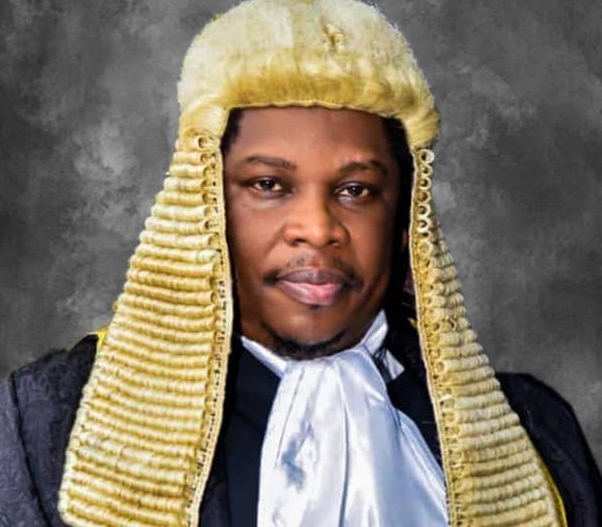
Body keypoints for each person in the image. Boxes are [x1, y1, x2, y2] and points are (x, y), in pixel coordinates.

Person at [0, 0, 600, 526]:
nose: (316, 228)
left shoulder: (534, 433)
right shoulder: (47, 420)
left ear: (406, 221)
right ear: (203, 204)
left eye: (356, 190)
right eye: (268, 184)